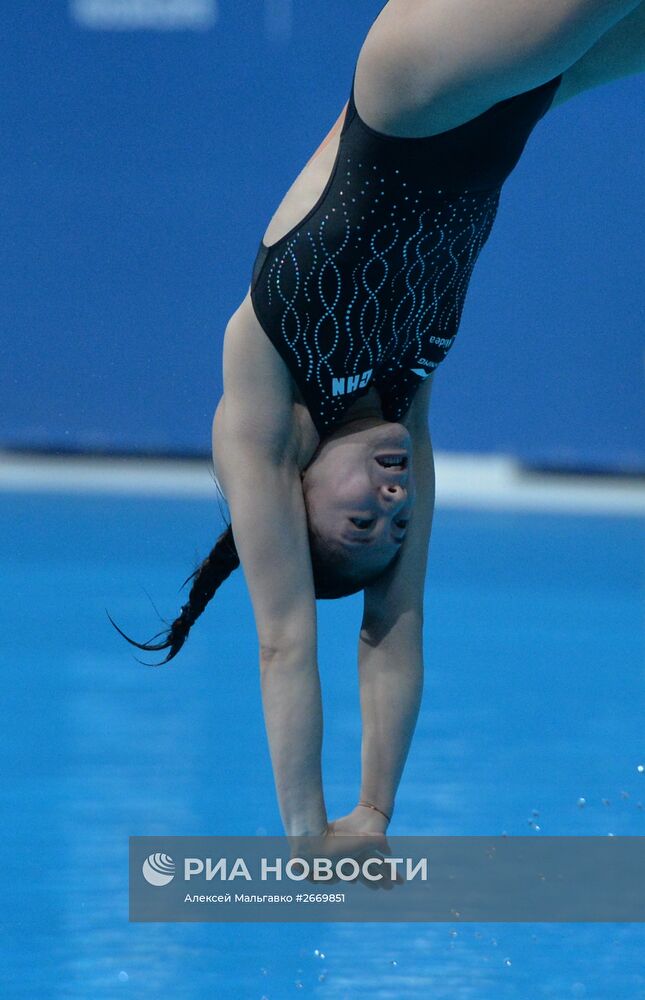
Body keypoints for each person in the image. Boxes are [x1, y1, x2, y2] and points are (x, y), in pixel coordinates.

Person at [110, 1, 644, 855]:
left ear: (298, 488)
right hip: (520, 101)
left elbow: (287, 640)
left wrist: (308, 833)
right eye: (394, 523)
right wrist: (376, 815)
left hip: (416, 90)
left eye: (362, 518)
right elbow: (397, 626)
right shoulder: (405, 396)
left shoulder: (267, 403)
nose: (396, 501)